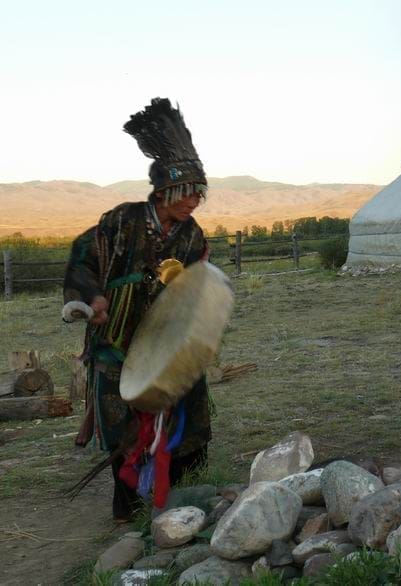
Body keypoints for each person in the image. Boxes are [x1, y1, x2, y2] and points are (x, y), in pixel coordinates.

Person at [63, 98, 212, 521]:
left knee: (189, 411)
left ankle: (182, 498)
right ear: (165, 191)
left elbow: (200, 278)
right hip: (116, 341)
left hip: (167, 339)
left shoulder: (190, 234)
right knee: (121, 422)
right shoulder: (122, 221)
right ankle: (127, 507)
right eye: (188, 194)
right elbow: (82, 256)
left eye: (199, 194)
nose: (194, 203)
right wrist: (94, 298)